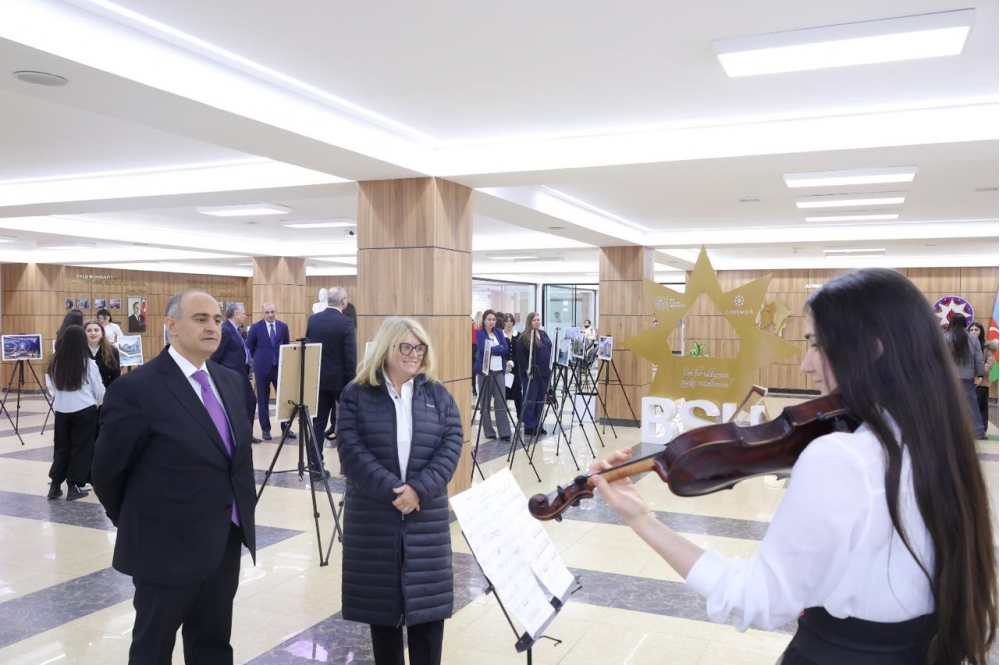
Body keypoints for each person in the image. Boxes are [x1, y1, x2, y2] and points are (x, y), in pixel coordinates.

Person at [590, 269, 997, 664]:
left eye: (817, 345)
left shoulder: (843, 457)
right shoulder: (936, 439)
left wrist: (642, 519)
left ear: (872, 348)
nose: (806, 364)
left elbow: (756, 600)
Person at [92, 290, 258, 665]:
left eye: (217, 320)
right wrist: (141, 523)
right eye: (200, 319)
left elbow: (236, 460)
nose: (212, 327)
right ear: (171, 326)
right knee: (153, 649)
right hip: (164, 548)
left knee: (213, 645)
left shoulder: (230, 382)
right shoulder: (137, 389)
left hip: (223, 541)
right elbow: (107, 473)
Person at [337, 316, 463, 665]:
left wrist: (418, 491)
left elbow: (452, 443)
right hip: (376, 517)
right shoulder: (356, 394)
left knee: (428, 616)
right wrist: (396, 492)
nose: (413, 353)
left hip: (425, 518)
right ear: (386, 348)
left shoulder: (437, 394)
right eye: (405, 346)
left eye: (419, 347)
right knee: (384, 616)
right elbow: (351, 452)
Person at [46, 325, 105, 501]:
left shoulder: (55, 364)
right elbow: (100, 390)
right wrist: (97, 403)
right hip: (85, 410)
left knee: (61, 448)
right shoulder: (88, 363)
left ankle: (55, 486)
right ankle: (74, 486)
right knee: (81, 448)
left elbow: (51, 389)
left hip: (61, 411)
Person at [305, 286, 356, 475]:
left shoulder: (314, 320)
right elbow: (350, 356)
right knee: (346, 423)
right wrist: (353, 382)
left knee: (318, 423)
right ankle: (347, 467)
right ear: (343, 301)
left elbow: (309, 348)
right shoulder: (346, 323)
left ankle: (316, 466)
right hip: (341, 382)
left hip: (319, 379)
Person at [246, 302, 295, 442]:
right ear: (263, 313)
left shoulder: (283, 326)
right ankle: (265, 429)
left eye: (272, 312)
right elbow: (249, 346)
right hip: (262, 369)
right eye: (267, 312)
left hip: (279, 367)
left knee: (284, 399)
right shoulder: (256, 327)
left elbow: (286, 345)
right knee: (263, 400)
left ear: (276, 311)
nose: (270, 315)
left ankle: (286, 428)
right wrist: (258, 358)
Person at [209, 303, 258, 437]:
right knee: (238, 404)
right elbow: (217, 354)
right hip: (230, 374)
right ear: (236, 314)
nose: (245, 316)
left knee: (250, 401)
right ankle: (239, 435)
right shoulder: (226, 330)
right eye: (244, 314)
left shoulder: (236, 330)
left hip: (241, 373)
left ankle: (246, 434)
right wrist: (213, 374)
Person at [945, 313, 986, 439]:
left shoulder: (944, 337)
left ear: (951, 322)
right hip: (967, 376)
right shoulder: (973, 338)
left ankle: (948, 431)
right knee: (972, 404)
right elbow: (979, 358)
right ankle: (979, 432)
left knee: (947, 404)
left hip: (949, 376)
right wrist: (980, 374)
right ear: (965, 323)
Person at [473, 309, 511, 441]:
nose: (491, 322)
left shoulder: (499, 332)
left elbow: (505, 348)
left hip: (498, 370)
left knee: (501, 400)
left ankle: (504, 432)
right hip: (485, 371)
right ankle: (489, 431)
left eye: (493, 320)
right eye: (489, 319)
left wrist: (496, 349)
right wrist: (499, 349)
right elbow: (484, 349)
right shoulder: (480, 334)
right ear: (484, 320)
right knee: (485, 402)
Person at [515, 312, 553, 436]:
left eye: (538, 320)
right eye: (534, 320)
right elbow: (521, 357)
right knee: (530, 400)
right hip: (531, 374)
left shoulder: (543, 334)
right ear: (529, 322)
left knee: (540, 400)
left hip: (544, 372)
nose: (537, 322)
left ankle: (538, 424)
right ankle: (529, 426)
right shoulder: (524, 337)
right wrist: (527, 370)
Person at [84, 320, 121, 390]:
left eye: (96, 330)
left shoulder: (112, 351)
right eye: (89, 330)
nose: (93, 333)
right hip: (84, 392)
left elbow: (115, 376)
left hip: (106, 390)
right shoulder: (78, 351)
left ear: (102, 333)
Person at [969, 320, 990, 433]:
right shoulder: (965, 344)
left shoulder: (987, 345)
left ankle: (982, 430)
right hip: (968, 379)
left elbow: (990, 363)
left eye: (976, 330)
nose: (973, 332)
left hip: (982, 381)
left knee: (981, 406)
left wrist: (979, 374)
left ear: (981, 331)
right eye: (971, 330)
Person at [501, 313, 523, 422]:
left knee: (517, 392)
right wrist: (505, 363)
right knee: (503, 392)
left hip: (516, 368)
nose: (509, 323)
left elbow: (519, 351)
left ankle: (520, 416)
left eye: (510, 321)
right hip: (503, 368)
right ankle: (503, 417)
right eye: (507, 321)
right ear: (504, 322)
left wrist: (512, 362)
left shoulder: (518, 335)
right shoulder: (500, 335)